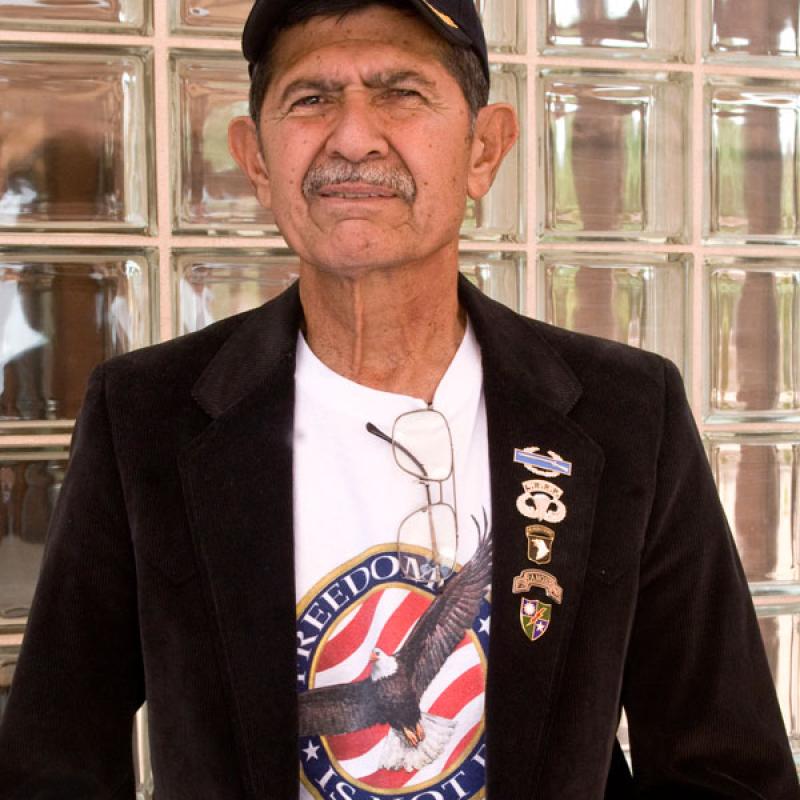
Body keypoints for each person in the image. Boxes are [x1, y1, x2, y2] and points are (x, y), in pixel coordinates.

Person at [0, 1, 797, 798]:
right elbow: (54, 758)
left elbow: (724, 766)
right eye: (311, 98)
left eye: (401, 93)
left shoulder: (626, 415)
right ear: (256, 160)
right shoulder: (147, 417)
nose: (352, 137)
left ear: (484, 150)